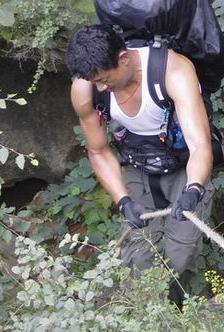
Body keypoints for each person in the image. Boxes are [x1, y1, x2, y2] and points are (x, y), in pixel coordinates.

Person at [66, 24, 214, 307]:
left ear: (123, 58)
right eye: (94, 82)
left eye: (104, 79)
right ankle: (148, 315)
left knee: (180, 256)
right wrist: (122, 201)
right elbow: (98, 151)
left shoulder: (172, 72)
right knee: (139, 258)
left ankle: (181, 310)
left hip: (185, 166)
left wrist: (194, 188)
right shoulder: (86, 89)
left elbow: (200, 145)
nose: (101, 88)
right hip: (137, 166)